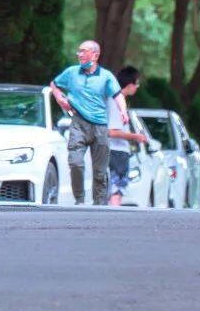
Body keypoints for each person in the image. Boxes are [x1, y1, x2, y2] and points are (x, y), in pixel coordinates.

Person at [50, 40, 130, 206]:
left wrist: (123, 111)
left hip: (100, 126)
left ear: (95, 55)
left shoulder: (106, 76)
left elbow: (118, 95)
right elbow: (54, 84)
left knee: (100, 172)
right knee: (75, 162)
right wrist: (59, 97)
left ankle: (99, 205)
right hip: (78, 123)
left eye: (84, 51)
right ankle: (79, 200)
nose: (79, 55)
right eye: (79, 51)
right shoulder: (72, 73)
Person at [107, 65, 147, 207]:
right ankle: (112, 218)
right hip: (116, 153)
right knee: (116, 192)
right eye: (137, 84)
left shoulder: (116, 100)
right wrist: (136, 137)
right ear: (130, 85)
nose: (137, 87)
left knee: (114, 191)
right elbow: (111, 132)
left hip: (116, 152)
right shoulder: (115, 102)